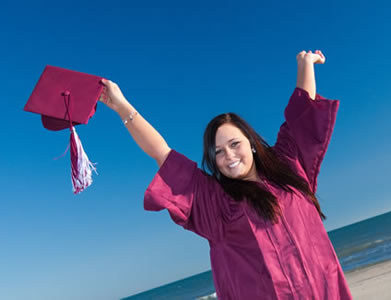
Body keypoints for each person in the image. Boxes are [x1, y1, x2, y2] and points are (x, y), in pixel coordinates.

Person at [99, 50, 353, 299]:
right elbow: (162, 153)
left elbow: (301, 114)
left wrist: (305, 64)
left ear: (251, 142)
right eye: (218, 151)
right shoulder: (216, 203)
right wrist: (122, 106)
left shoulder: (288, 167)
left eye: (234, 144)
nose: (229, 156)